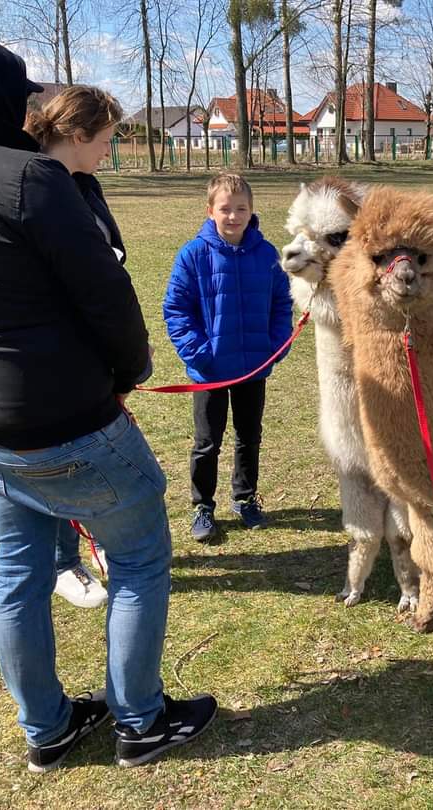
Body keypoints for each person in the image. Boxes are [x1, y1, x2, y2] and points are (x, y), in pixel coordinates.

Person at [0, 16, 216, 772]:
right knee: (138, 562)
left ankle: (49, 729)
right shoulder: (27, 178)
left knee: (19, 573)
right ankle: (141, 720)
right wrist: (126, 374)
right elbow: (109, 301)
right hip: (67, 424)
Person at [23, 85, 128, 610]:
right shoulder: (36, 187)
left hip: (95, 359)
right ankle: (66, 561)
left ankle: (99, 543)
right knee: (59, 472)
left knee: (89, 466)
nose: (109, 149)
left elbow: (108, 250)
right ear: (77, 134)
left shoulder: (83, 184)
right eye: (106, 138)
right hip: (53, 370)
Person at [163, 173, 293, 542]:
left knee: (249, 436)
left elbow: (282, 303)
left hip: (254, 368)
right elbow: (176, 309)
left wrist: (275, 345)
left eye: (241, 209)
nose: (233, 216)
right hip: (210, 372)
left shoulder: (267, 255)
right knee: (207, 441)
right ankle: (202, 506)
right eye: (225, 209)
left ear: (252, 212)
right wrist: (199, 354)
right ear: (210, 211)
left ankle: (245, 497)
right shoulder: (193, 255)